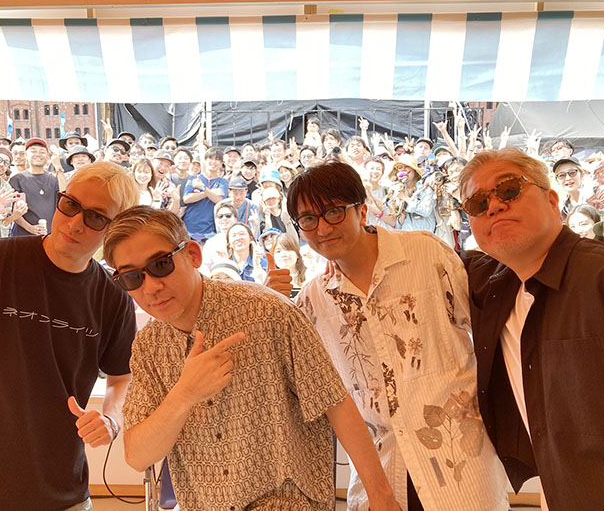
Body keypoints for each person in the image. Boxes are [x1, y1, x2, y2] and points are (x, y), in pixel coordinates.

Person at [102, 206, 401, 511]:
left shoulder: (268, 312)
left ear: (192, 254)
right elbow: (137, 456)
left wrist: (381, 497)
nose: (151, 287)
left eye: (161, 264)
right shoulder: (148, 346)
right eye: (132, 277)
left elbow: (335, 402)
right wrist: (184, 394)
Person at [271, 162, 510, 510]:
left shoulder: (424, 253)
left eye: (334, 212)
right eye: (308, 219)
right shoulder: (313, 299)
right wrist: (269, 299)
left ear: (362, 209)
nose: (322, 228)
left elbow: (486, 333)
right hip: (381, 472)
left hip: (459, 460)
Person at [0, 162, 140, 510]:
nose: (75, 223)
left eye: (96, 217)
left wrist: (111, 418)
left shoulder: (113, 297)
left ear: (115, 230)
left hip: (62, 493)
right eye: (70, 204)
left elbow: (121, 376)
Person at [458, 147, 604, 510]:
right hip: (559, 493)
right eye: (477, 204)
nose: (493, 206)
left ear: (552, 200)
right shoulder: (489, 286)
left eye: (509, 189)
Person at [9, 137, 67, 236]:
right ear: (26, 155)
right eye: (33, 151)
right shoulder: (17, 179)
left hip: (50, 235)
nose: (38, 154)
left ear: (48, 156)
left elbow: (65, 195)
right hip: (25, 236)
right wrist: (29, 228)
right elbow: (13, 211)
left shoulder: (54, 178)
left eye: (42, 152)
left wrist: (58, 167)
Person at [182, 146, 229, 242]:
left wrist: (202, 188)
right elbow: (187, 199)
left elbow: (220, 200)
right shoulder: (194, 178)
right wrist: (210, 192)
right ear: (205, 160)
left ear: (221, 163)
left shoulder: (223, 181)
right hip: (189, 228)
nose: (213, 162)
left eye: (217, 159)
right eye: (210, 158)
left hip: (209, 230)